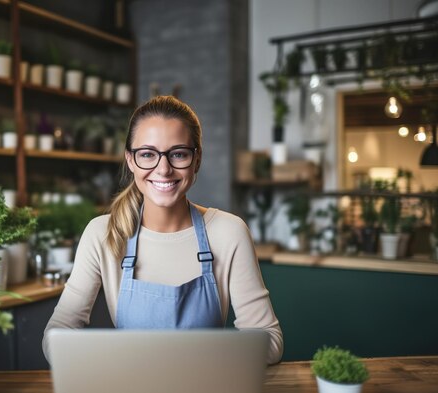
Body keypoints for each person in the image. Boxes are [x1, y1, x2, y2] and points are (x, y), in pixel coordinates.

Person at [42, 95, 283, 364]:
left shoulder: (229, 232)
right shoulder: (102, 234)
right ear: (131, 160)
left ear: (196, 160)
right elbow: (57, 334)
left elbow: (270, 340)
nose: (164, 169)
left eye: (178, 154)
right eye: (147, 154)